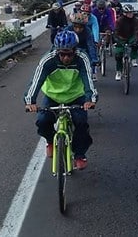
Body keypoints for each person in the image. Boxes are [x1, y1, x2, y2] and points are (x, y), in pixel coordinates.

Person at [24, 29, 97, 170]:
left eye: (69, 54)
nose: (65, 58)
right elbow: (36, 81)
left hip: (76, 95)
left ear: (75, 51)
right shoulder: (48, 60)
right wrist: (30, 102)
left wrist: (91, 98)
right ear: (57, 51)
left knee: (81, 123)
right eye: (62, 54)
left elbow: (88, 79)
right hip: (53, 95)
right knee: (42, 121)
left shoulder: (82, 58)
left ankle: (80, 154)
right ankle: (51, 141)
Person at [113, 4, 138, 81]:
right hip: (121, 37)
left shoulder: (135, 20)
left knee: (135, 44)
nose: (131, 14)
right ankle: (119, 72)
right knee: (118, 55)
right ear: (124, 13)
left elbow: (137, 31)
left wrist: (135, 39)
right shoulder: (119, 21)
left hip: (131, 37)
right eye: (129, 13)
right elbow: (116, 32)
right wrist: (118, 40)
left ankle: (133, 59)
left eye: (131, 12)